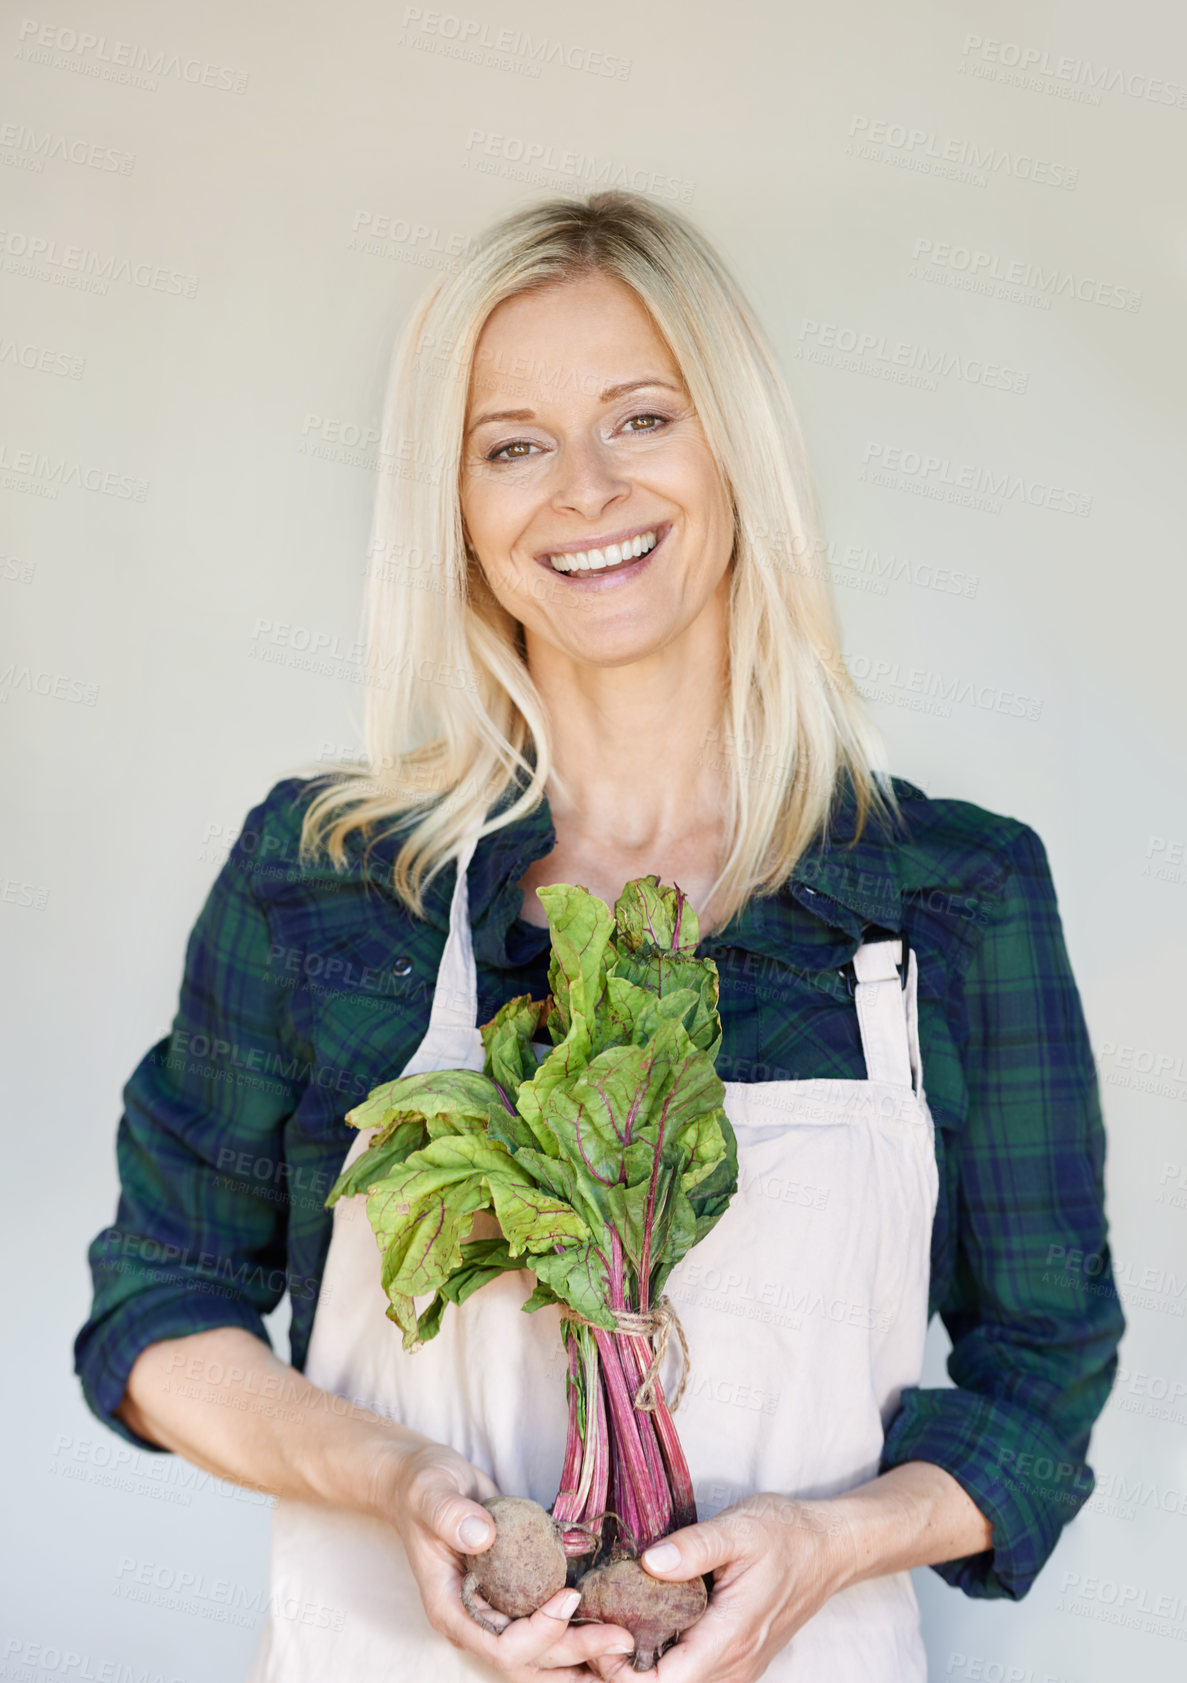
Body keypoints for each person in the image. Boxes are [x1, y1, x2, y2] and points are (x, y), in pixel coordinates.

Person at [74, 190, 1124, 1682]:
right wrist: (397, 1485)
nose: (582, 489)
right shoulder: (324, 881)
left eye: (641, 418)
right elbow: (159, 1309)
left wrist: (831, 1544)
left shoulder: (949, 894)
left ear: (735, 453)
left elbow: (1042, 1378)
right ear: (456, 510)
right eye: (511, 444)